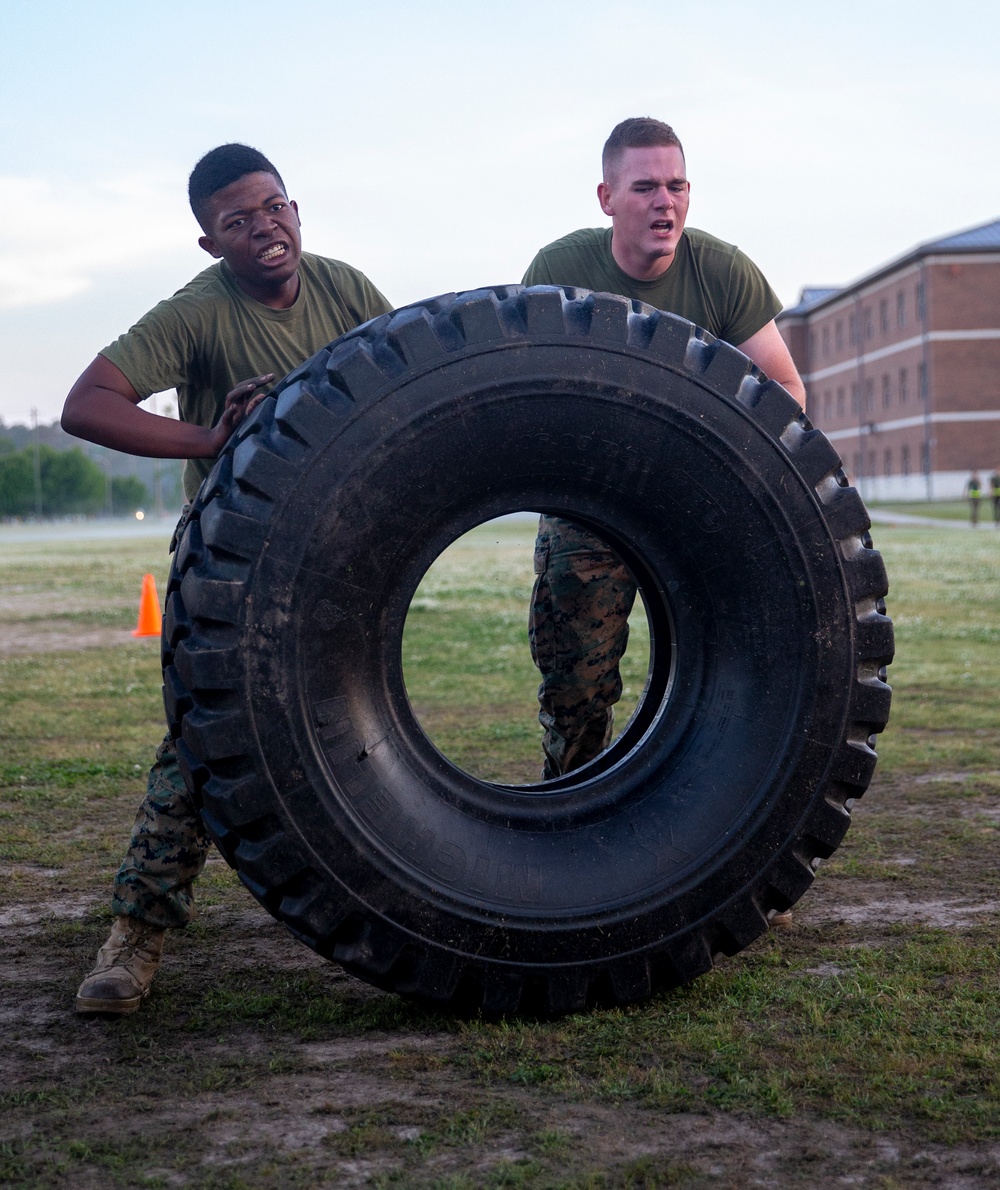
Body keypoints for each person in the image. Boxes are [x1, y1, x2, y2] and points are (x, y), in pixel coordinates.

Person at [63, 144, 392, 1014]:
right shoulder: (198, 313)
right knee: (203, 744)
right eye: (237, 222)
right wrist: (210, 439)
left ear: (296, 208)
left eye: (273, 207)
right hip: (235, 563)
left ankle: (398, 904)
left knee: (357, 733)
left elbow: (416, 389)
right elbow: (86, 404)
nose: (264, 229)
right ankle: (136, 934)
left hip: (337, 553)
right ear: (212, 244)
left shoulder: (346, 290)